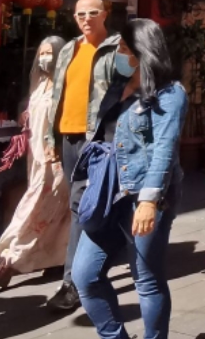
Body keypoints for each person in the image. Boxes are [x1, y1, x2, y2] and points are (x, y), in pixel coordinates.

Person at [73, 19, 186, 339]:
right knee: (85, 276)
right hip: (106, 190)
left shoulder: (170, 93)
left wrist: (149, 201)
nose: (119, 51)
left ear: (143, 50)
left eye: (124, 46)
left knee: (147, 280)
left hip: (142, 195)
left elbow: (164, 150)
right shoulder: (118, 82)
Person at [45, 0, 120, 312]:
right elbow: (57, 95)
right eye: (80, 14)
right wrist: (51, 136)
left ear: (105, 14)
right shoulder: (69, 49)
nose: (86, 18)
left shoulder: (118, 49)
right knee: (79, 207)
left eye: (93, 12)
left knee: (86, 208)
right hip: (69, 137)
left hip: (98, 139)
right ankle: (82, 276)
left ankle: (74, 282)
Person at [0, 36, 71, 288]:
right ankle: (57, 261)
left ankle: (6, 263)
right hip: (37, 159)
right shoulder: (40, 86)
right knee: (54, 215)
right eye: (41, 53)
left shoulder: (68, 87)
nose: (44, 59)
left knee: (32, 211)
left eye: (50, 53)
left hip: (56, 162)